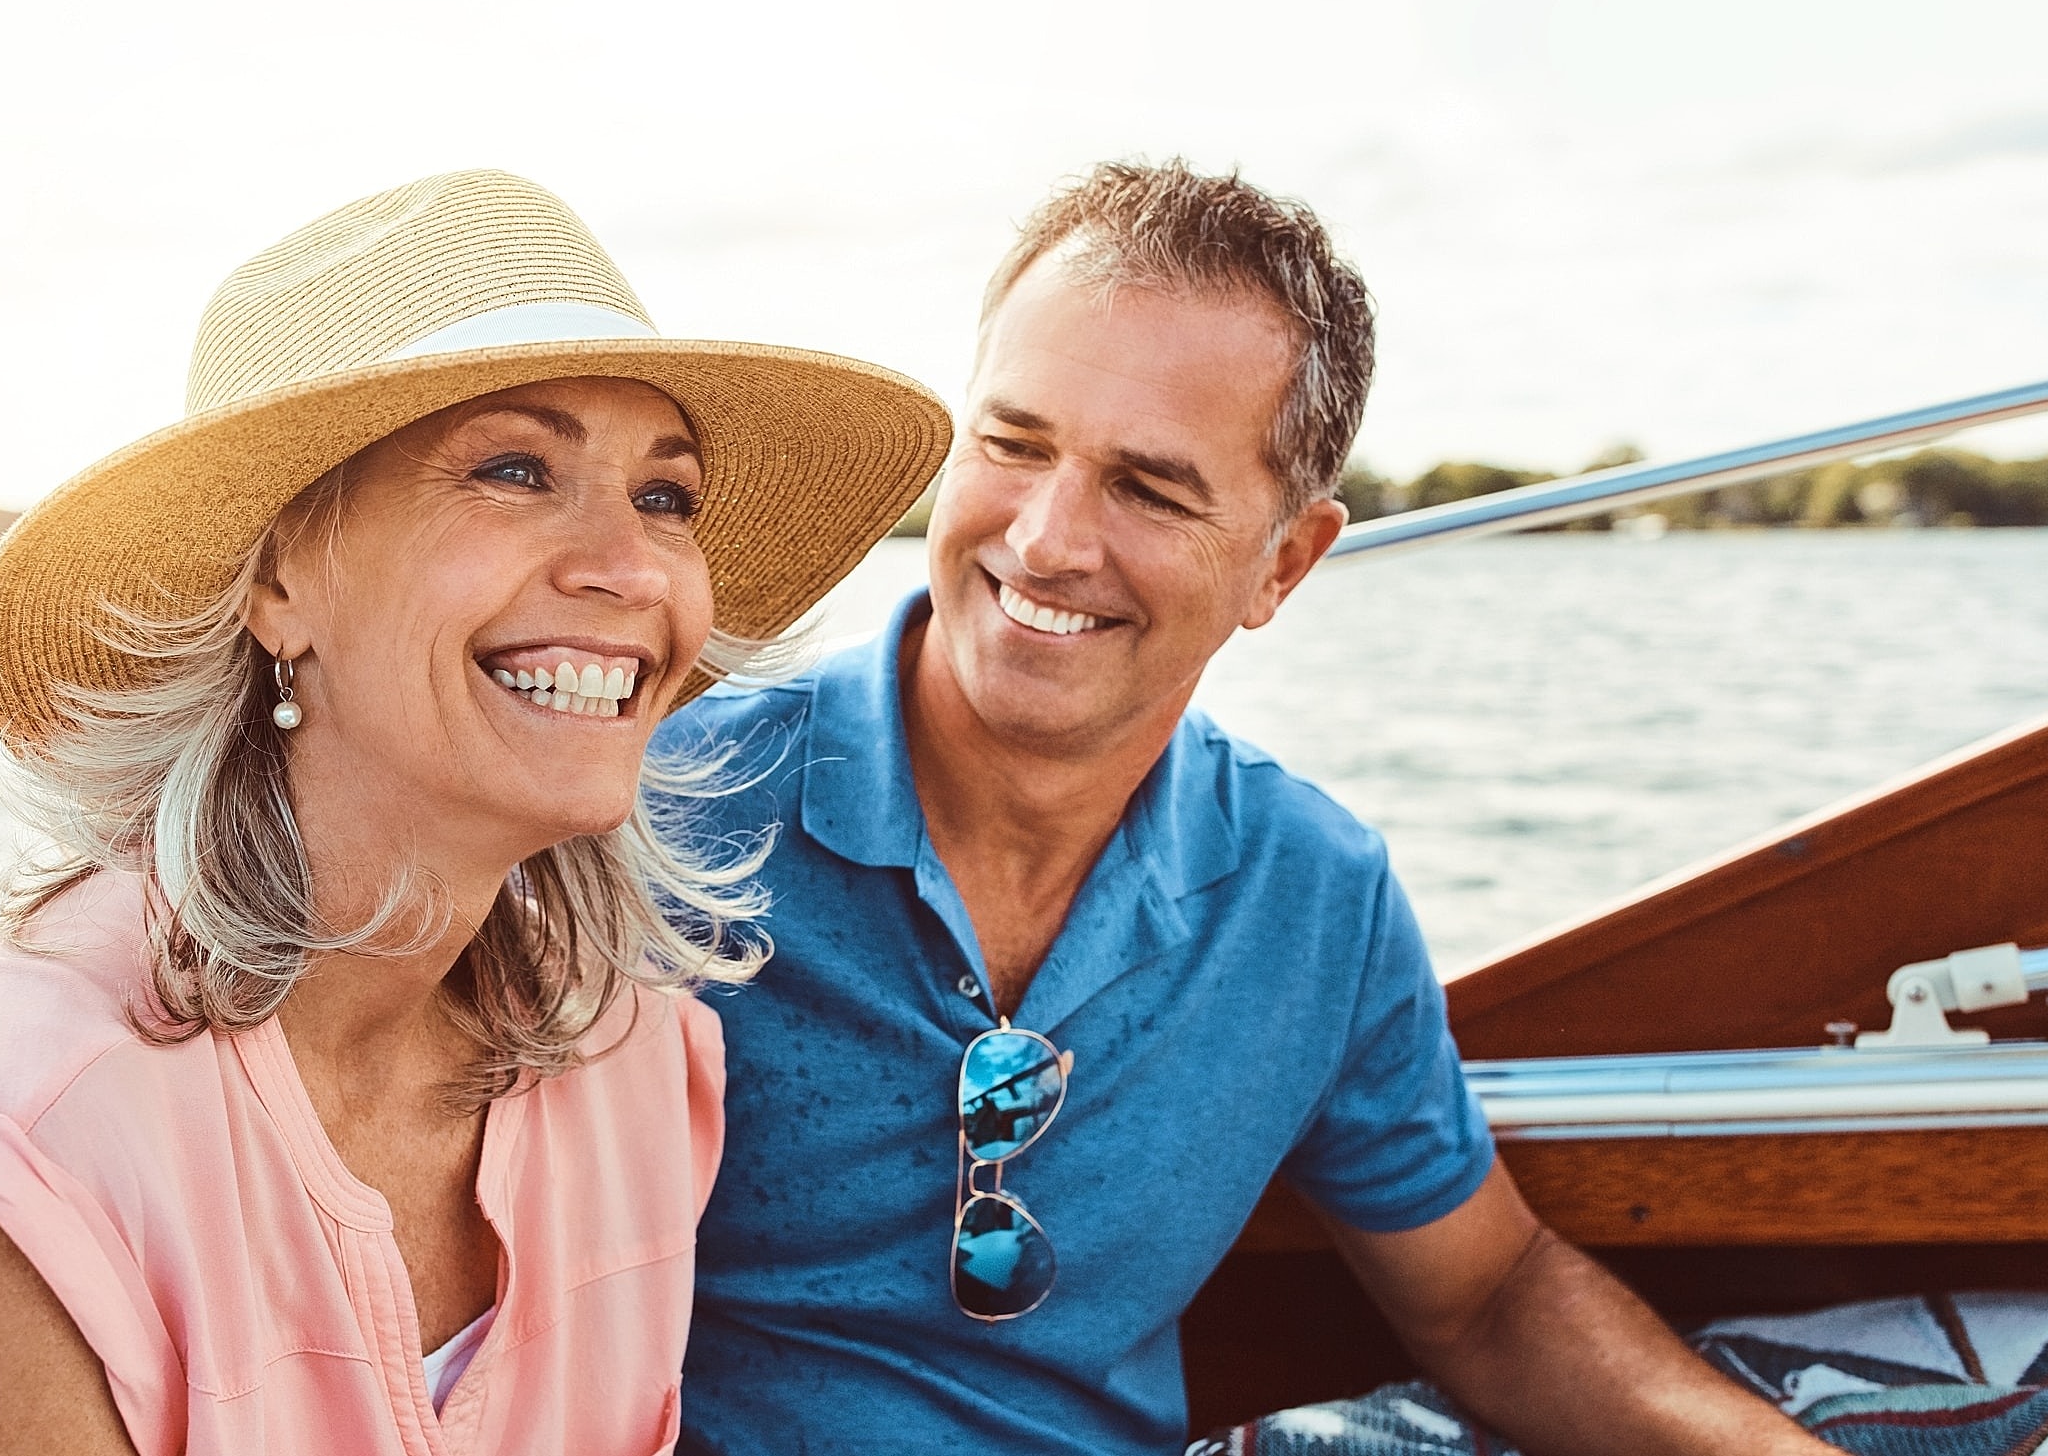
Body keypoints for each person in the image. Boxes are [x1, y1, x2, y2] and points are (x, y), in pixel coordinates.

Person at [0, 169, 949, 1456]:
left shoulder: (630, 1053)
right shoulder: (4, 1152)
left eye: (664, 496)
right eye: (515, 470)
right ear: (279, 576)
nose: (626, 564)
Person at [660, 160, 1835, 1455]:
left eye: (1148, 487)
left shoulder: (1312, 895)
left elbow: (1490, 1296)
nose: (1047, 539)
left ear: (1283, 561)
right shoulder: (662, 818)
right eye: (1011, 443)